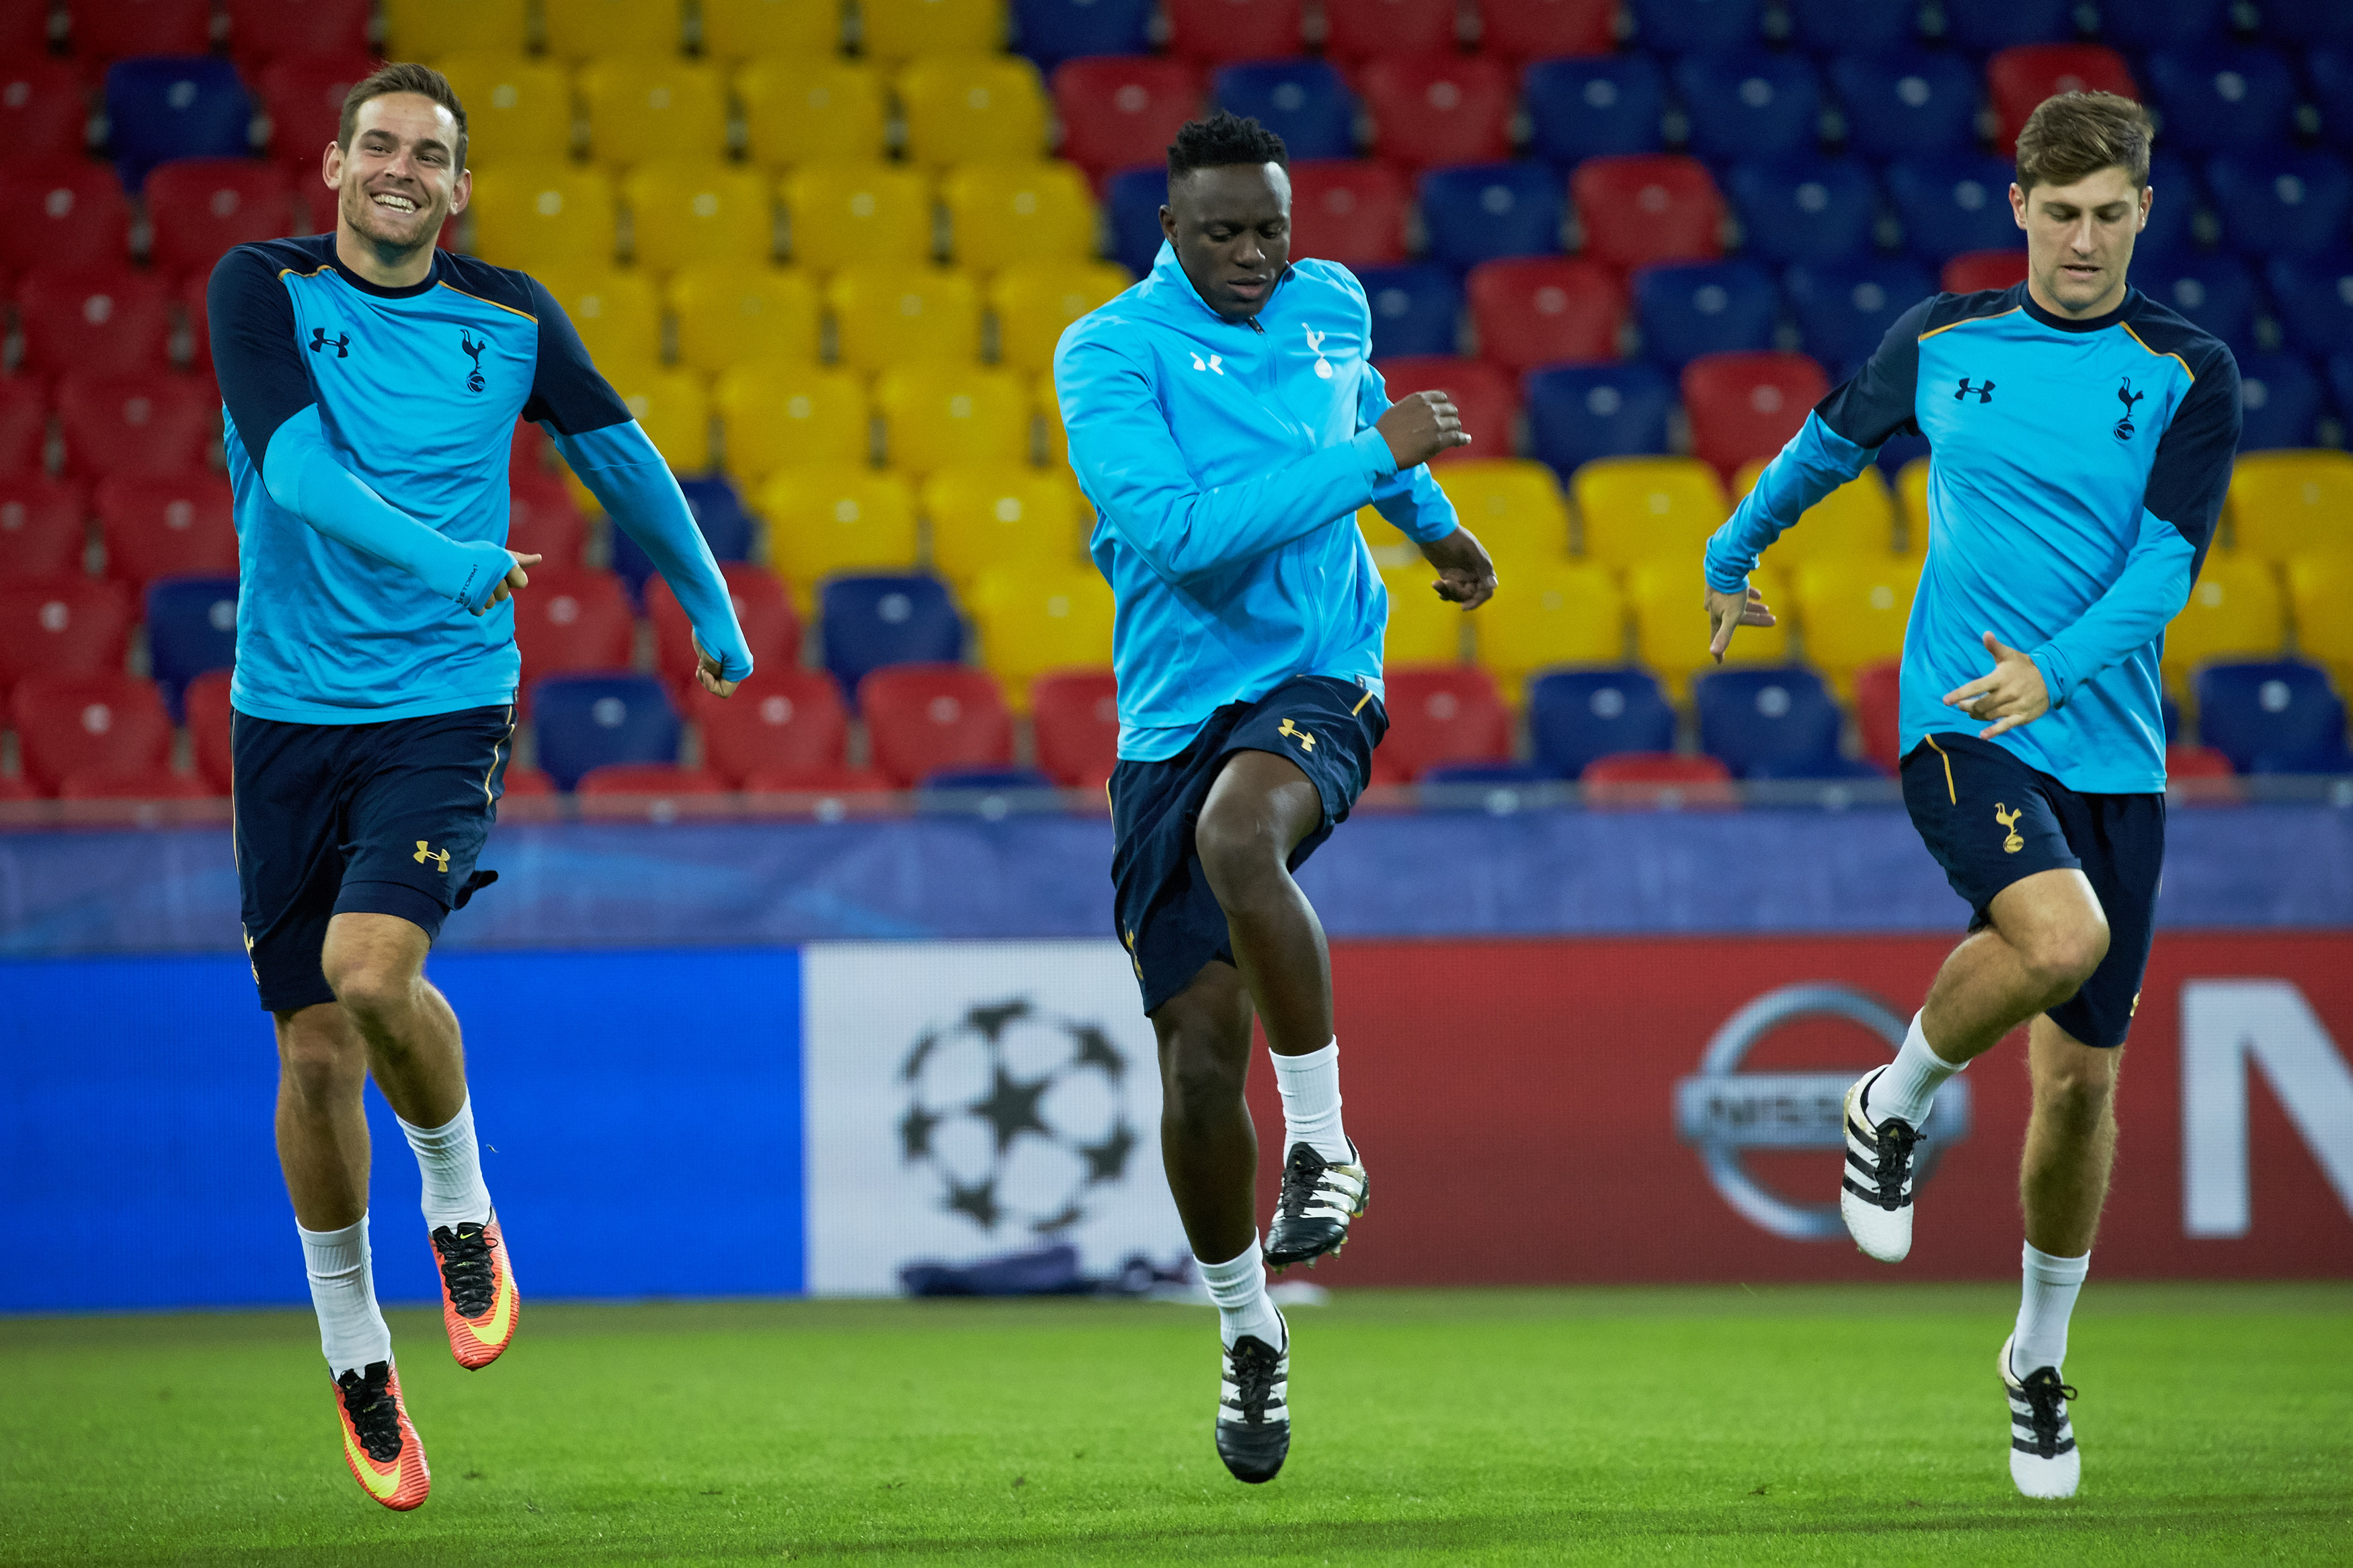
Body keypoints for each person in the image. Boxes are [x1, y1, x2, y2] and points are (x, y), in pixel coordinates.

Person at [207, 63, 753, 1511]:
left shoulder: (507, 317)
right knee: (312, 1051)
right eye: (375, 145)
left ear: (457, 190)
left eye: (428, 155)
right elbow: (301, 473)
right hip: (285, 716)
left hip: (442, 706)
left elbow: (618, 457)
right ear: (332, 167)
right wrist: (452, 559)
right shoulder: (257, 288)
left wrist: (706, 600)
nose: (399, 169)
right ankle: (355, 1355)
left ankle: (459, 1202)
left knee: (370, 976)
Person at [1700, 92, 2239, 1500]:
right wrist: (1729, 552)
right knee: (2059, 941)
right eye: (2058, 215)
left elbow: (2165, 573)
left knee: (2079, 1088)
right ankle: (1891, 1100)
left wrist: (2055, 674)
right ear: (2018, 209)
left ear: (2140, 212)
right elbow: (1825, 444)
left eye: (2107, 216)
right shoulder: (1943, 343)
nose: (2081, 241)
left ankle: (2037, 1365)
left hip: (2107, 746)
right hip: (1958, 719)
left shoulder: (2187, 371)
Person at [1053, 112, 1497, 1485]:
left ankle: (1323, 1148)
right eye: (1223, 232)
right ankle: (1248, 1331)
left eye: (1272, 229)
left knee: (1242, 834)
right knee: (1194, 1060)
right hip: (1173, 709)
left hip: (1318, 672)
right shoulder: (1107, 352)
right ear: (1169, 231)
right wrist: (1383, 468)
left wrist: (1433, 529)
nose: (1255, 255)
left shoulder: (1330, 303)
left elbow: (1357, 418)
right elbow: (1182, 542)